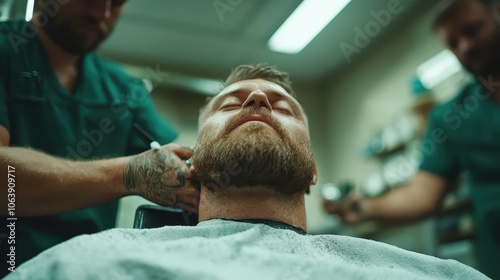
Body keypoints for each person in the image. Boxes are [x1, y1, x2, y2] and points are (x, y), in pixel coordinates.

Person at [3, 64, 488, 280]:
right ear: (193, 158)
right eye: (231, 102)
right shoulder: (83, 267)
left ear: (314, 169)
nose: (257, 101)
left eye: (284, 107)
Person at [0, 0, 198, 275]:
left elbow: (187, 166)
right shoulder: (6, 51)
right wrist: (129, 175)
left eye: (115, 3)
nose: (101, 13)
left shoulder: (122, 89)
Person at [323, 0, 500, 278]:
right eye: (453, 43)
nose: (465, 46)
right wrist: (365, 207)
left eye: (473, 30)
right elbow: (423, 194)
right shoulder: (451, 116)